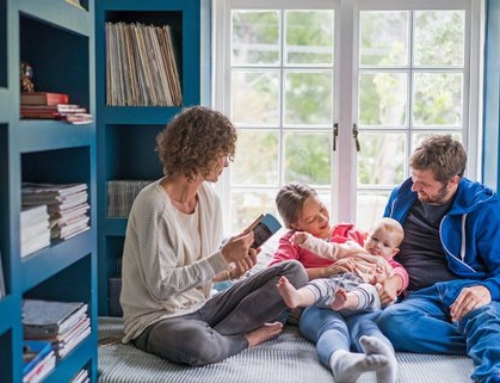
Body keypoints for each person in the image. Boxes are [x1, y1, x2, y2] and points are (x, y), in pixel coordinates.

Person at [119, 106, 308, 366]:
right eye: (222, 154)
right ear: (200, 153)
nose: (226, 163)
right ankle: (244, 339)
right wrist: (222, 258)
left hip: (203, 308)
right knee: (195, 344)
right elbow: (161, 288)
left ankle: (218, 339)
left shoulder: (210, 199)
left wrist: (232, 270)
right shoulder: (153, 204)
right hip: (157, 318)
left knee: (294, 272)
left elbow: (202, 271)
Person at [377, 134, 500, 383]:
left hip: (466, 292)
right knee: (391, 321)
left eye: (424, 183)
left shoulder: (484, 206)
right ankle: (482, 339)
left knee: (485, 318)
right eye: (414, 178)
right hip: (420, 297)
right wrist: (389, 278)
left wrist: (486, 289)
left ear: (453, 181)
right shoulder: (401, 197)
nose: (414, 188)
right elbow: (383, 250)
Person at [270, 182, 409, 383]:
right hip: (321, 304)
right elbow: (277, 273)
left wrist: (393, 283)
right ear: (295, 225)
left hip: (359, 302)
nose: (323, 218)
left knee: (369, 329)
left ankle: (387, 365)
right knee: (331, 327)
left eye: (321, 208)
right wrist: (325, 271)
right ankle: (342, 362)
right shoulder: (293, 241)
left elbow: (390, 263)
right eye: (311, 219)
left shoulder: (351, 233)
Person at [277, 217, 404, 314]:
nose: (377, 245)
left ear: (393, 252)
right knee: (322, 284)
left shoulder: (388, 269)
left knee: (369, 291)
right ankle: (298, 298)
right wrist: (307, 240)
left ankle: (347, 300)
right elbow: (329, 249)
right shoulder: (353, 248)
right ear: (365, 237)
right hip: (342, 282)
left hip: (363, 293)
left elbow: (390, 296)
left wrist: (381, 282)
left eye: (386, 245)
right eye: (375, 239)